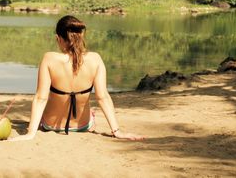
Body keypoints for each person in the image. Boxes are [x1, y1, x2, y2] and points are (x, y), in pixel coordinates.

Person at [9, 15, 144, 141]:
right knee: (91, 110)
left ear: (58, 38)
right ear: (81, 36)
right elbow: (103, 97)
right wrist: (117, 131)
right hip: (83, 126)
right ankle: (88, 117)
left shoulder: (49, 59)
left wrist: (31, 133)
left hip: (50, 125)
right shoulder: (95, 59)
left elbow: (40, 98)